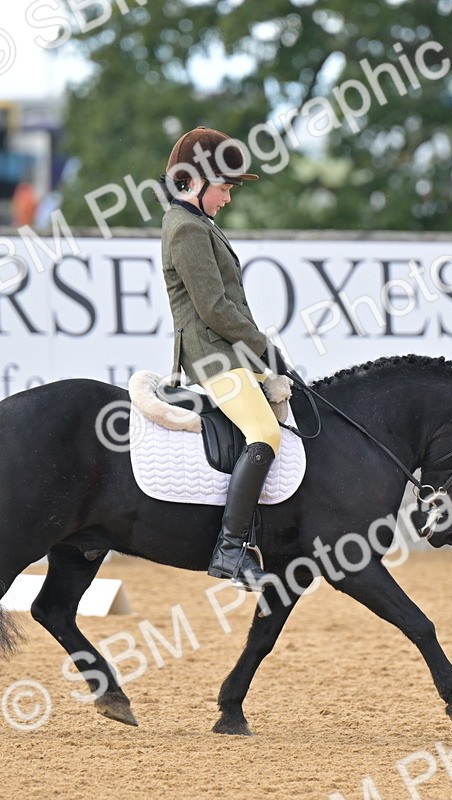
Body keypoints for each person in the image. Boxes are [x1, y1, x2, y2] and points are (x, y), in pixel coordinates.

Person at [158, 126, 283, 591]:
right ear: (196, 180)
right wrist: (264, 349)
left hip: (227, 352)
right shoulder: (187, 228)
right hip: (212, 357)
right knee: (264, 432)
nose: (229, 197)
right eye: (225, 187)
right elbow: (213, 307)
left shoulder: (199, 224)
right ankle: (231, 552)